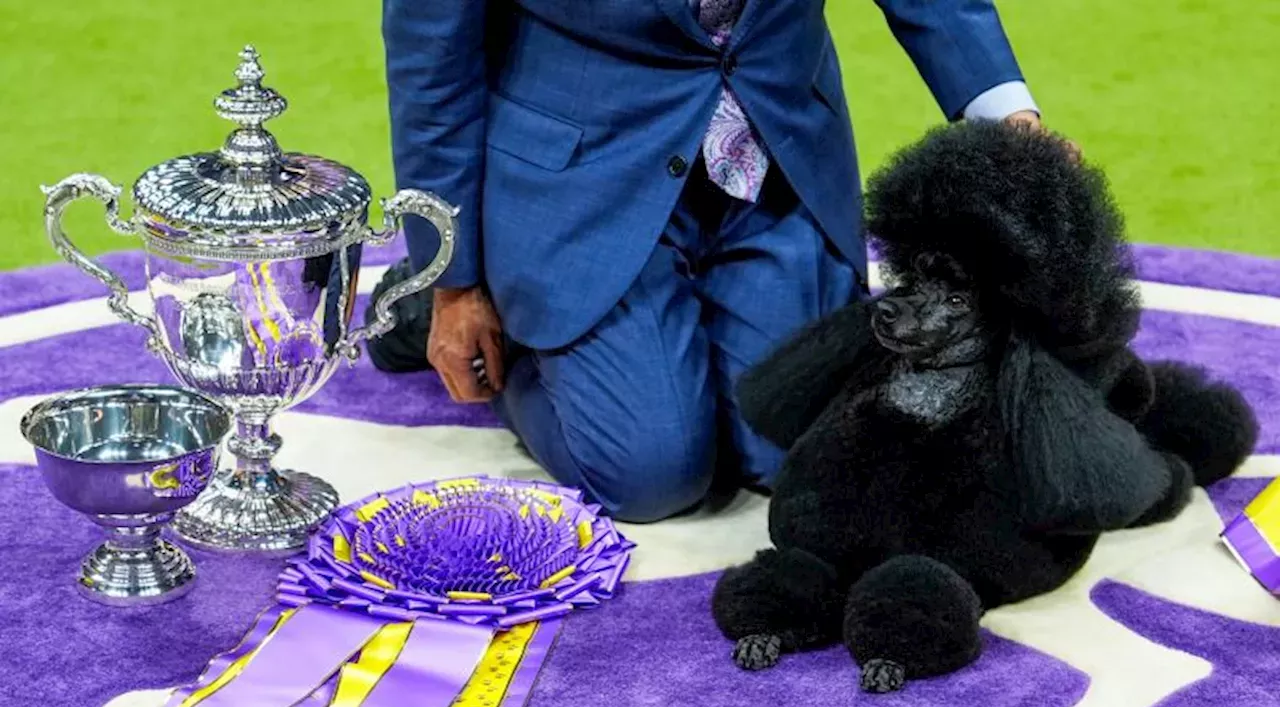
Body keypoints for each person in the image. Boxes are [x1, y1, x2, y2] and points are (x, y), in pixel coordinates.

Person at [372, 0, 1065, 523]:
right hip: (585, 177)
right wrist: (453, 278)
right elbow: (432, 59)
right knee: (652, 476)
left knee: (793, 451)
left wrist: (1010, 120)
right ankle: (497, 318)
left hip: (777, 156)